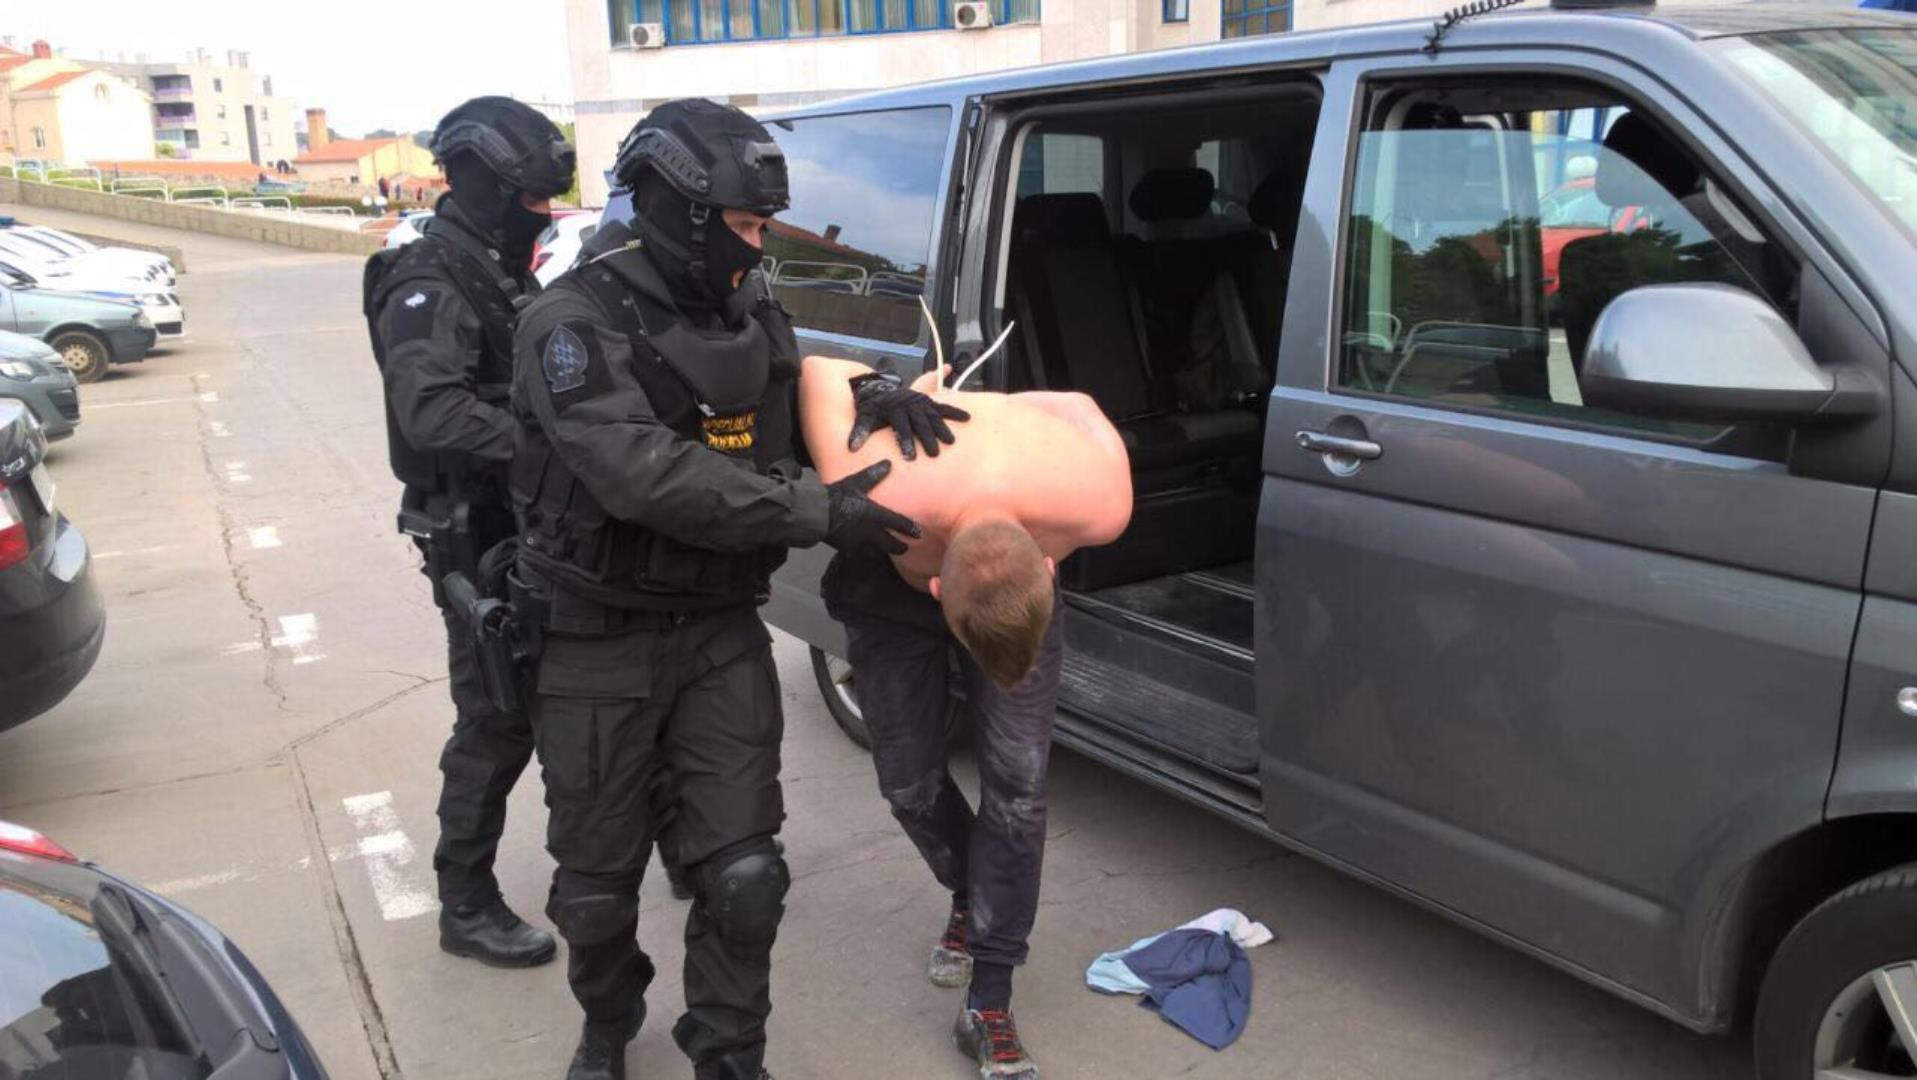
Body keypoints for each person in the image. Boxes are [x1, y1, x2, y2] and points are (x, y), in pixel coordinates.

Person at [509, 98, 964, 1080]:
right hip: (595, 638)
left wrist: (870, 395)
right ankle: (607, 1021)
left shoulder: (748, 305)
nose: (758, 249)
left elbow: (792, 387)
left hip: (718, 630)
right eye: (746, 226)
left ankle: (728, 1055)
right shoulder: (570, 323)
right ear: (679, 210)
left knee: (747, 877)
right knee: (594, 894)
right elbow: (641, 472)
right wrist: (817, 511)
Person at [799, 355, 1134, 1080]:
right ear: (933, 586)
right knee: (908, 781)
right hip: (887, 597)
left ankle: (990, 997)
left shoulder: (1098, 500)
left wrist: (1001, 414)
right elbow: (820, 367)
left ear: (1049, 567)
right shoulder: (875, 478)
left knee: (1018, 791)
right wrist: (879, 390)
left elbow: (1078, 400)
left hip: (1006, 568)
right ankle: (968, 892)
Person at [362, 95, 576, 971]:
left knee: (587, 692)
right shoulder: (430, 280)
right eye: (528, 197)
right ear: (480, 183)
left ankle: (646, 848)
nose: (542, 212)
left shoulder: (497, 265)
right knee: (496, 717)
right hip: (477, 538)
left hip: (531, 526)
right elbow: (434, 413)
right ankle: (465, 899)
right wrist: (557, 447)